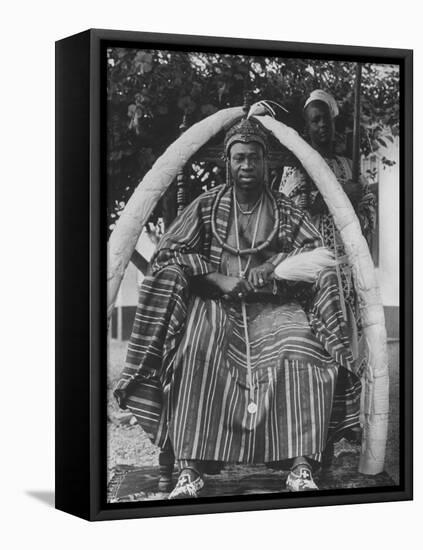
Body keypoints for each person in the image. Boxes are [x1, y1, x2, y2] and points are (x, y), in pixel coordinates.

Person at [114, 117, 361, 499]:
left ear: (268, 164)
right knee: (194, 353)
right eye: (239, 158)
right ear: (228, 163)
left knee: (304, 351)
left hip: (275, 309)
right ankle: (189, 470)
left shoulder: (285, 211)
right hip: (215, 306)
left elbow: (317, 255)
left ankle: (300, 466)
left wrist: (275, 267)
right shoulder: (205, 207)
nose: (246, 166)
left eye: (254, 158)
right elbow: (169, 256)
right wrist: (216, 278)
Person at [280, 89, 376, 363]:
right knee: (317, 350)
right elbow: (290, 220)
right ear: (307, 127)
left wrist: (360, 204)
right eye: (315, 120)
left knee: (351, 350)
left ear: (334, 124)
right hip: (315, 273)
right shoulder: (296, 169)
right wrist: (340, 196)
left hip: (349, 271)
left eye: (326, 120)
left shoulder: (349, 167)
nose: (322, 125)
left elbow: (368, 212)